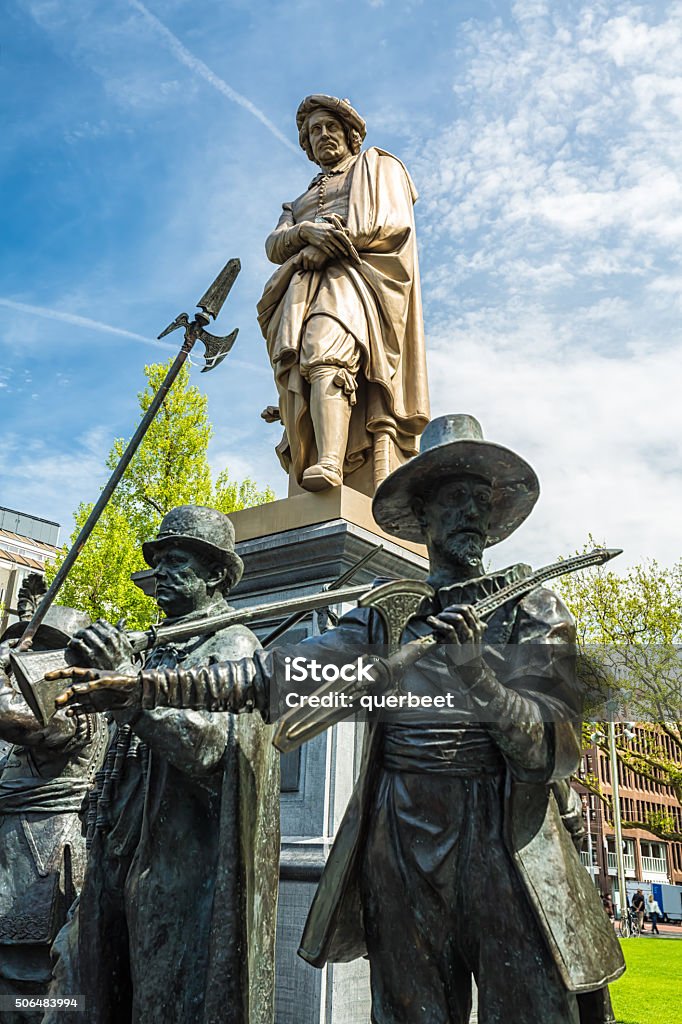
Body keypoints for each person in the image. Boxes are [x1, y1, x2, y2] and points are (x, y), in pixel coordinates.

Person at [53, 416, 626, 1023]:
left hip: (503, 841)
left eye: (481, 501)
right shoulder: (387, 621)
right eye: (455, 499)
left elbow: (549, 752)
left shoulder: (532, 608)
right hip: (400, 837)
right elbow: (266, 679)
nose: (471, 514)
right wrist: (145, 686)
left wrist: (479, 681)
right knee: (411, 1010)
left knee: (530, 1009)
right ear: (423, 515)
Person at [45, 507, 279, 1024]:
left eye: (177, 561)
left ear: (216, 574)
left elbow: (206, 749)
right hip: (119, 850)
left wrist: (126, 684)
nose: (162, 573)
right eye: (159, 562)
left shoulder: (232, 645)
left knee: (163, 1004)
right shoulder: (159, 645)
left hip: (179, 865)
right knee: (82, 997)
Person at [257, 93, 429, 494]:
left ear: (351, 134)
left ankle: (331, 462)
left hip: (356, 276)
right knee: (302, 364)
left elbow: (392, 222)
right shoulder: (296, 201)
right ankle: (318, 455)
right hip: (300, 289)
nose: (323, 135)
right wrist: (304, 232)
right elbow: (273, 246)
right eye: (314, 131)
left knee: (324, 352)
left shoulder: (378, 167)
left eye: (331, 126)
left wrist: (329, 242)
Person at [0, 578, 107, 1024]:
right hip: (13, 860)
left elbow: (13, 719)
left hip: (44, 864)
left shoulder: (77, 712)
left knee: (35, 991)